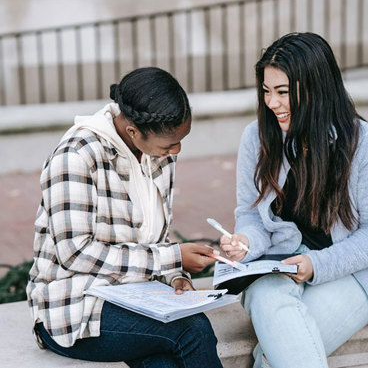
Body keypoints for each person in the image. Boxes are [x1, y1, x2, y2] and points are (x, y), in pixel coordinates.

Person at [27, 67, 223, 368]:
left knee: (164, 364)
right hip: (73, 308)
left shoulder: (157, 156)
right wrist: (171, 258)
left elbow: (153, 240)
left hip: (135, 297)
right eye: (169, 144)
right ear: (133, 131)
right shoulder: (75, 157)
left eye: (181, 140)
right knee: (192, 330)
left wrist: (176, 277)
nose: (177, 151)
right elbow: (75, 253)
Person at [220, 32, 368, 368]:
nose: (272, 103)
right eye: (266, 91)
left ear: (317, 88)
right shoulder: (257, 137)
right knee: (264, 296)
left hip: (355, 272)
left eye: (283, 92)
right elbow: (250, 216)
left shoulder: (366, 144)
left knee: (271, 357)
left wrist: (316, 266)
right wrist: (244, 243)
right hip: (281, 263)